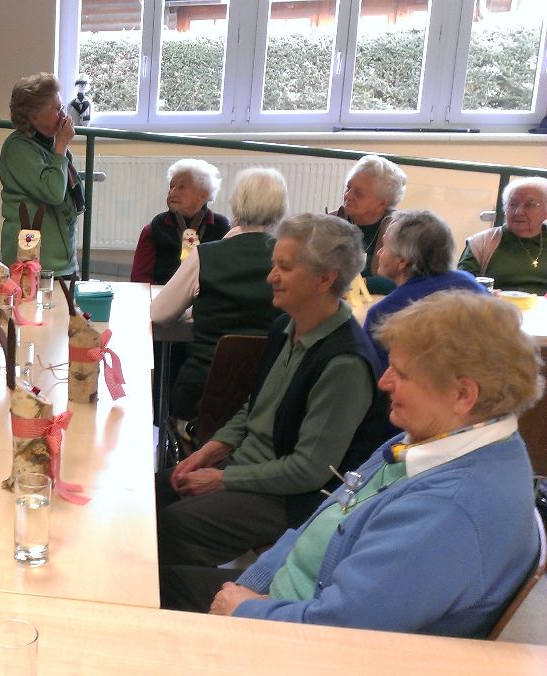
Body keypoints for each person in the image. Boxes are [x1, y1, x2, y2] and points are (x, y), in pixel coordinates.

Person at [164, 291, 542, 639]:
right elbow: (321, 519)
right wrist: (253, 582)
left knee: (145, 598)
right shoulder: (429, 436)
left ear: (462, 394)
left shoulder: (451, 508)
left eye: (402, 374)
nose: (383, 382)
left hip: (300, 641)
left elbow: (339, 631)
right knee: (157, 580)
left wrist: (245, 609)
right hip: (282, 606)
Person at [155, 214, 393, 568]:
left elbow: (309, 471)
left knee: (172, 527)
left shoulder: (344, 363)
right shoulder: (287, 326)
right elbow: (255, 407)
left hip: (292, 498)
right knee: (144, 497)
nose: (271, 278)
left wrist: (223, 479)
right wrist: (212, 449)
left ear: (324, 279)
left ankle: (189, 603)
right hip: (250, 472)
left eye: (284, 268)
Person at [151, 168, 287, 422]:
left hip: (203, 396)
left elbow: (159, 315)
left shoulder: (205, 255)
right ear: (281, 210)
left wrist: (196, 307)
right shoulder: (293, 261)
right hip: (268, 400)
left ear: (236, 205)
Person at [365, 210, 487, 372]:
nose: (380, 252)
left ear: (402, 261)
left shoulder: (384, 314)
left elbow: (370, 377)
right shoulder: (470, 283)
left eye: (385, 246)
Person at [0, 72, 86, 276]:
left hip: (62, 260)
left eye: (62, 107)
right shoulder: (17, 148)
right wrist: (62, 145)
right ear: (34, 116)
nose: (64, 116)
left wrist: (60, 147)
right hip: (33, 264)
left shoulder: (50, 143)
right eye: (57, 109)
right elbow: (53, 192)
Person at [131, 158, 230, 284]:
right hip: (163, 297)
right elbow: (140, 279)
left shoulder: (222, 228)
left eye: (181, 187)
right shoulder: (155, 228)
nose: (172, 192)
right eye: (171, 186)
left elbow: (229, 275)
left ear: (203, 194)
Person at [332, 154, 407, 295]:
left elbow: (401, 281)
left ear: (381, 204)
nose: (348, 195)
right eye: (348, 187)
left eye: (358, 193)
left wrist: (360, 285)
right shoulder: (332, 222)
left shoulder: (399, 231)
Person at [458, 176, 547, 295]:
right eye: (512, 204)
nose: (519, 212)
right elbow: (462, 284)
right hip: (496, 310)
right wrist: (484, 293)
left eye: (530, 205)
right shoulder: (481, 243)